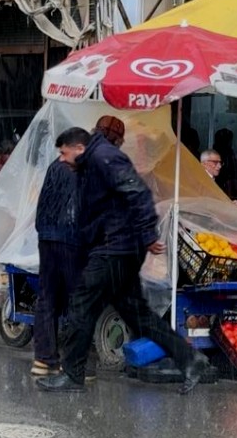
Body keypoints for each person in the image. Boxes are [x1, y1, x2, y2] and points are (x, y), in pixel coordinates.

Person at [37, 115, 211, 395]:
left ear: (79, 148)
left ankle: (72, 374)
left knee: (81, 304)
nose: (61, 159)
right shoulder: (93, 162)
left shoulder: (105, 158)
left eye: (63, 153)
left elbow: (138, 195)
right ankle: (191, 360)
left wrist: (147, 236)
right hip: (117, 248)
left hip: (114, 249)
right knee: (136, 314)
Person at [31, 127, 89, 377]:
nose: (62, 156)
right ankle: (75, 362)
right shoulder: (80, 169)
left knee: (47, 297)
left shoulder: (56, 167)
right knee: (78, 300)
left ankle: (44, 359)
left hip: (47, 237)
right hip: (71, 240)